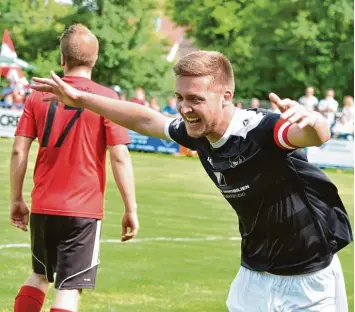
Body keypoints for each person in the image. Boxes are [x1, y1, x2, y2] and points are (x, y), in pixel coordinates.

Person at [32, 50, 352, 312]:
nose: (184, 108)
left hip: (308, 273)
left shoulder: (259, 129)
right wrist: (81, 99)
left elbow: (311, 136)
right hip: (255, 273)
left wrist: (316, 121)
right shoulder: (196, 131)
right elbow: (146, 119)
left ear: (226, 96)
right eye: (180, 97)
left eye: (196, 99)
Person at [11, 24, 139, 312]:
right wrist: (130, 208)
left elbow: (19, 149)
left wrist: (17, 198)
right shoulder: (106, 99)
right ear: (95, 59)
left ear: (62, 58)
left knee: (39, 276)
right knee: (70, 288)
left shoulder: (38, 94)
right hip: (83, 210)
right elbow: (119, 157)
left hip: (43, 204)